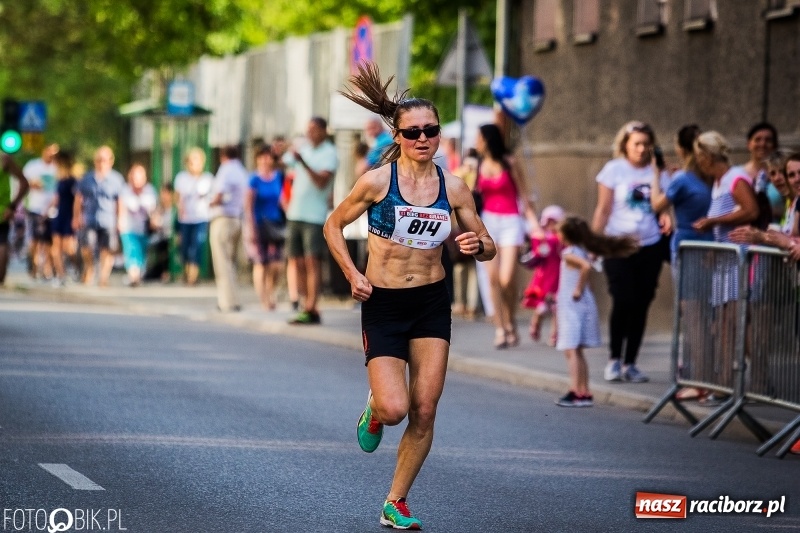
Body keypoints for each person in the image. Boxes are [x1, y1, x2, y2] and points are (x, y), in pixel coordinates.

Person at [324, 62, 496, 530]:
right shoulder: (377, 183)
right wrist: (352, 273)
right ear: (397, 136)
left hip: (430, 303)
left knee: (424, 407)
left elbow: (489, 246)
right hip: (383, 303)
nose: (423, 138)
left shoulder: (454, 188)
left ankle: (395, 501)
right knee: (395, 408)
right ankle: (375, 408)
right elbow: (333, 226)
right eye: (413, 132)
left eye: (431, 131)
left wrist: (477, 245)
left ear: (439, 135)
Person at [592, 121, 671, 383]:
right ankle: (614, 359)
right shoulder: (614, 170)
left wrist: (666, 213)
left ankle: (631, 363)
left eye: (646, 144)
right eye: (636, 143)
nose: (641, 149)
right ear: (625, 145)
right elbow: (603, 209)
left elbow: (663, 205)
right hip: (618, 244)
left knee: (641, 303)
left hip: (649, 245)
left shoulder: (658, 171)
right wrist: (593, 243)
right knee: (622, 299)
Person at [555, 217, 638, 407]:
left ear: (566, 236)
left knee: (571, 350)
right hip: (578, 305)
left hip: (572, 306)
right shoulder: (581, 251)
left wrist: (578, 288)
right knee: (576, 350)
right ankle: (584, 392)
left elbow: (585, 267)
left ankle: (575, 391)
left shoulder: (569, 254)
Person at [475, 123, 542, 349]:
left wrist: (534, 226)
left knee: (506, 279)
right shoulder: (478, 164)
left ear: (488, 139)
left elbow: (523, 196)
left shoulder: (509, 162)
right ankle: (501, 327)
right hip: (488, 222)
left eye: (479, 138)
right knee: (493, 279)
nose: (476, 142)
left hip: (511, 221)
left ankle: (510, 319)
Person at [283, 117, 338, 324]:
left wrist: (303, 162)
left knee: (312, 261)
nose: (310, 133)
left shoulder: (329, 153)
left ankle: (312, 306)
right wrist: (279, 151)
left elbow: (321, 181)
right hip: (295, 213)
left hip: (314, 215)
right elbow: (282, 163)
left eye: (314, 129)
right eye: (308, 129)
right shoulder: (304, 148)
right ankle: (306, 305)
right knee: (296, 261)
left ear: (324, 131)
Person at [649, 124, 713, 271]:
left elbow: (656, 205)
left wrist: (656, 174)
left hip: (686, 244)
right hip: (711, 243)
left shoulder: (682, 179)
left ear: (680, 149)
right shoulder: (710, 175)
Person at [73, 146, 125, 286]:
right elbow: (78, 199)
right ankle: (90, 267)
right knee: (86, 246)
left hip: (108, 219)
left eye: (105, 160)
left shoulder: (116, 179)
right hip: (90, 218)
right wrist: (76, 216)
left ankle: (103, 277)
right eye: (99, 160)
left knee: (107, 249)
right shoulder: (87, 178)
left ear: (111, 161)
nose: (102, 163)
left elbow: (120, 201)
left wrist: (120, 220)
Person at [244, 145, 286, 310]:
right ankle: (264, 298)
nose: (265, 160)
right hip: (259, 224)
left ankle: (271, 291)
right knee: (261, 263)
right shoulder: (254, 179)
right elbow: (248, 205)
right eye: (261, 157)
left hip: (276, 224)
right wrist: (251, 227)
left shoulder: (278, 177)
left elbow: (283, 200)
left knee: (276, 264)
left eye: (268, 157)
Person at [209, 145, 248, 312]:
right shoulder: (242, 171)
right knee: (231, 263)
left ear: (223, 156)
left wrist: (209, 202)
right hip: (237, 218)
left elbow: (219, 194)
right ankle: (234, 299)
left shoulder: (225, 170)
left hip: (223, 218)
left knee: (222, 263)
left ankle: (226, 302)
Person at [521, 205, 565, 345]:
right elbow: (537, 253)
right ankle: (536, 323)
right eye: (549, 222)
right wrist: (539, 241)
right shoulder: (541, 237)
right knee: (542, 308)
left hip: (559, 277)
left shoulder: (562, 238)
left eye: (555, 222)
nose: (551, 226)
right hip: (544, 278)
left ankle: (555, 334)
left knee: (557, 308)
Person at [174, 147, 214, 285]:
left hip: (201, 218)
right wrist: (180, 208)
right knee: (185, 248)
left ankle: (193, 276)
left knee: (197, 246)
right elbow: (177, 197)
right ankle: (186, 271)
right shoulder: (181, 178)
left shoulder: (208, 179)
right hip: (185, 219)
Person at [22, 143, 59, 280]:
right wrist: (32, 184)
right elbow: (23, 182)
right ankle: (34, 266)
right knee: (35, 239)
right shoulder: (33, 166)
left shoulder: (58, 168)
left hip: (52, 210)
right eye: (49, 151)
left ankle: (47, 269)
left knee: (49, 241)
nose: (51, 155)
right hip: (35, 207)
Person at [118, 163, 157, 287]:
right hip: (129, 228)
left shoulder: (150, 190)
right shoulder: (125, 190)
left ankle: (138, 275)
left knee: (141, 253)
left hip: (143, 229)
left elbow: (153, 210)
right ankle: (133, 276)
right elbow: (121, 208)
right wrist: (120, 223)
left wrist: (154, 221)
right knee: (131, 251)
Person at [49, 151, 79, 286]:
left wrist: (76, 217)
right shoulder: (59, 181)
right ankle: (61, 275)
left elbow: (78, 200)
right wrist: (46, 212)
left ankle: (76, 268)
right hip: (59, 215)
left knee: (68, 248)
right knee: (56, 248)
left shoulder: (73, 181)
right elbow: (56, 199)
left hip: (69, 215)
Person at [742, 122, 779, 229]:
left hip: (774, 233)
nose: (762, 144)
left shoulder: (782, 176)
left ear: (775, 146)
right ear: (748, 144)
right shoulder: (737, 173)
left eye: (768, 140)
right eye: (757, 140)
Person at [0, 153, 29, 286]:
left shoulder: (3, 159)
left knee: (2, 244)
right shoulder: (4, 159)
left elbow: (24, 183)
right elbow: (24, 183)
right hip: (4, 211)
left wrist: (12, 206)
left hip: (2, 212)